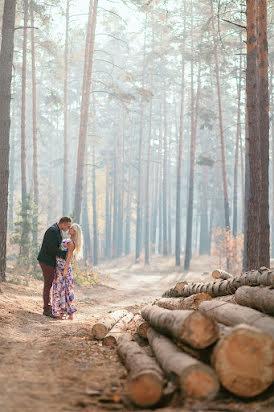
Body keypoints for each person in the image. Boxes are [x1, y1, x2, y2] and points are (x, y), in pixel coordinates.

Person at [37, 216, 72, 318]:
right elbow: (52, 249)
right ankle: (46, 309)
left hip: (50, 261)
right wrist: (66, 254)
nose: (68, 229)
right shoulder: (52, 231)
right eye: (68, 226)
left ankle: (50, 307)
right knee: (48, 284)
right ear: (63, 223)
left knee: (49, 283)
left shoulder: (57, 230)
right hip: (46, 261)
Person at [52, 223, 83, 320]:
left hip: (63, 268)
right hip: (59, 267)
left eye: (72, 228)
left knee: (64, 289)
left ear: (75, 232)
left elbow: (68, 257)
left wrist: (65, 270)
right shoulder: (68, 240)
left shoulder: (71, 243)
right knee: (61, 289)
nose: (70, 229)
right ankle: (66, 312)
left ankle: (65, 312)